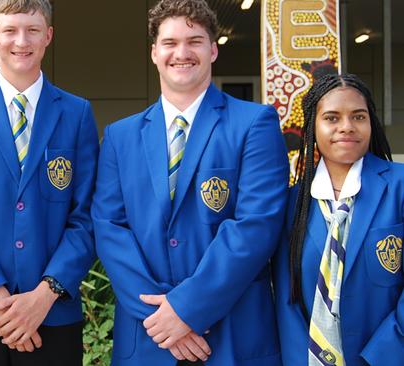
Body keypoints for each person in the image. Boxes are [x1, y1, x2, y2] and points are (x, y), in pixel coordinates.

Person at [91, 0, 289, 364]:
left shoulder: (254, 123)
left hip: (230, 335)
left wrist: (186, 309)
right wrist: (163, 318)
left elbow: (255, 226)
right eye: (169, 42)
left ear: (213, 49)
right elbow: (109, 228)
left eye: (194, 41)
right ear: (154, 53)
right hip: (148, 337)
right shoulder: (120, 136)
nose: (181, 53)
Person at [0, 0, 99, 364]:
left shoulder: (76, 114)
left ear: (48, 36)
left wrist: (44, 295)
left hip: (52, 313)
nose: (20, 41)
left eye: (33, 30)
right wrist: (0, 300)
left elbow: (85, 216)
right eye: (10, 30)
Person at [273, 73, 404, 366]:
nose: (347, 127)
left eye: (358, 117)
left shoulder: (399, 187)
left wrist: (381, 357)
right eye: (332, 118)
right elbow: (286, 299)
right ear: (312, 128)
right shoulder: (292, 205)